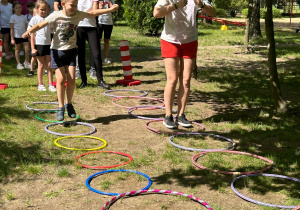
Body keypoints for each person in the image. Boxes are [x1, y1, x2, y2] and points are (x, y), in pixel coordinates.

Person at [23, 0, 119, 121]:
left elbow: (93, 12)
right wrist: (28, 31)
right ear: (63, 4)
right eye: (72, 5)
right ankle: (60, 107)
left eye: (76, 5)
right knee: (61, 79)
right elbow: (41, 24)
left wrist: (109, 10)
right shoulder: (56, 15)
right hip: (57, 52)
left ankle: (69, 104)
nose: (74, 8)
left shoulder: (78, 14)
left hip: (71, 51)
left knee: (72, 79)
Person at [153, 0, 216, 129]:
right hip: (170, 40)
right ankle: (168, 115)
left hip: (190, 40)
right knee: (172, 79)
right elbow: (156, 13)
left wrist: (201, 4)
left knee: (186, 80)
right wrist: (176, 6)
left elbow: (213, 13)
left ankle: (181, 114)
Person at [76, 0, 117, 89]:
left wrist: (86, 13)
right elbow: (76, 12)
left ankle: (100, 80)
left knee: (97, 54)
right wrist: (90, 12)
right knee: (81, 54)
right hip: (79, 27)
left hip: (92, 27)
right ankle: (84, 81)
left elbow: (94, 13)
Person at [28, 0, 56, 92]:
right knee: (40, 65)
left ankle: (51, 84)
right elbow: (32, 34)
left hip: (48, 44)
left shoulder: (48, 19)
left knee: (49, 65)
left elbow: (53, 30)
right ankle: (40, 84)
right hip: (39, 44)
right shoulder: (35, 19)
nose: (43, 11)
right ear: (36, 9)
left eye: (45, 9)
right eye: (41, 9)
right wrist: (33, 48)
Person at [10, 1, 31, 69]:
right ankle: (18, 64)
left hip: (24, 35)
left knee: (27, 49)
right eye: (17, 8)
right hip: (17, 36)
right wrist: (12, 39)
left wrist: (28, 34)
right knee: (17, 50)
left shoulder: (24, 17)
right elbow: (12, 29)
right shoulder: (13, 17)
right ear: (14, 9)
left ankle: (26, 62)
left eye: (20, 7)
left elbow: (26, 27)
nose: (19, 9)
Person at [26, 0, 36, 76]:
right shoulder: (31, 19)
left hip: (40, 40)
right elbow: (29, 30)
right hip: (33, 38)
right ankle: (31, 69)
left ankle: (45, 69)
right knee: (33, 54)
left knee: (44, 56)